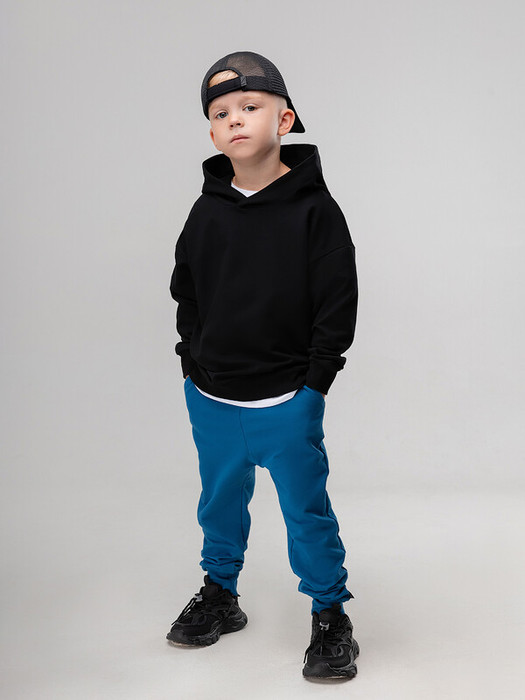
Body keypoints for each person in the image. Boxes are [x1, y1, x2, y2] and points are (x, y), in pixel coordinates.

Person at [166, 51, 359, 680]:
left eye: (250, 107)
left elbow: (337, 299)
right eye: (220, 113)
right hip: (213, 396)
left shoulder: (315, 211)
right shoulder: (206, 211)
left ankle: (330, 614)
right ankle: (221, 594)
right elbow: (186, 290)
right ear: (213, 134)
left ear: (285, 119)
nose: (235, 120)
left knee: (306, 513)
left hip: (287, 400)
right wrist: (192, 362)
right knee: (219, 503)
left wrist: (316, 382)